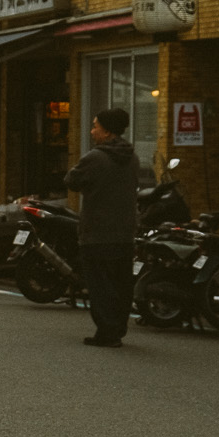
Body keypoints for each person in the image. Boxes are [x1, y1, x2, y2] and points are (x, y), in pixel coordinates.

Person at [65, 105, 139, 347]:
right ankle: (117, 329)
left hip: (97, 231)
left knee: (99, 284)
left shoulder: (95, 157)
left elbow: (71, 181)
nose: (92, 131)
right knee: (121, 284)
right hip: (125, 231)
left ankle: (106, 332)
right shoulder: (132, 157)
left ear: (107, 132)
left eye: (95, 126)